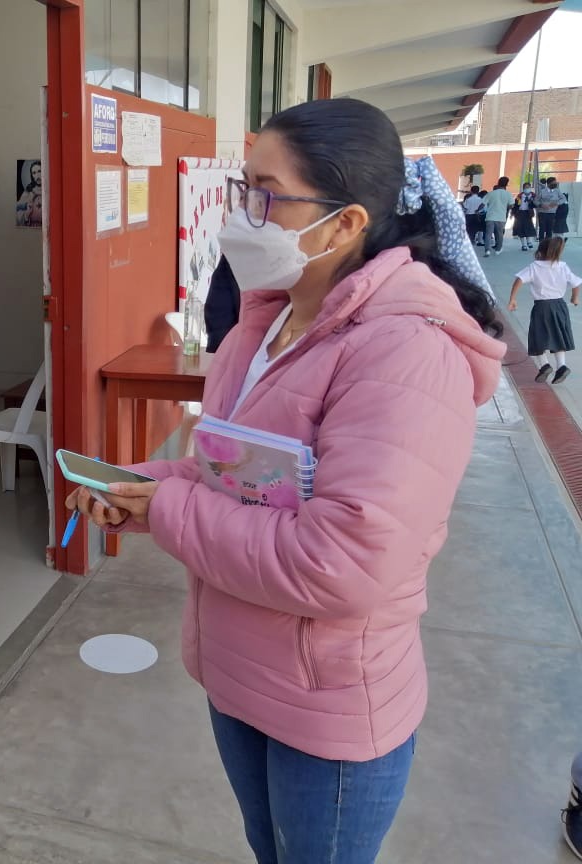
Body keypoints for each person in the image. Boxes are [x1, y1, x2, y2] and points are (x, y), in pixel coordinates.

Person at [66, 98, 504, 864]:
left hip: (327, 706)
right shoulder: (265, 321)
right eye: (241, 189)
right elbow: (227, 474)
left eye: (265, 196)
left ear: (344, 223)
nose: (241, 215)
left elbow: (345, 562)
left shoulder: (405, 353)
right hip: (242, 673)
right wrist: (134, 488)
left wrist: (167, 508)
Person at [508, 236, 579, 384]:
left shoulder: (535, 267)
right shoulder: (563, 266)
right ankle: (562, 366)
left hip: (542, 307)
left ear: (540, 251)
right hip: (560, 306)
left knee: (537, 336)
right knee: (558, 336)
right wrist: (574, 298)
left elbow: (519, 280)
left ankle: (545, 365)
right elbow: (576, 283)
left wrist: (513, 299)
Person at [482, 177, 514, 257]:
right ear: (506, 184)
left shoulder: (491, 193)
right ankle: (498, 250)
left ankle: (487, 250)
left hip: (490, 216)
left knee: (488, 234)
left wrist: (477, 211)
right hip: (501, 217)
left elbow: (483, 204)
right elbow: (511, 206)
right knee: (499, 234)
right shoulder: (508, 194)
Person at [538, 177, 565, 241]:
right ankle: (541, 243)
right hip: (542, 213)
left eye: (555, 183)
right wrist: (541, 205)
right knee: (542, 229)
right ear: (549, 183)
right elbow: (536, 200)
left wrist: (557, 203)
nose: (555, 184)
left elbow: (563, 199)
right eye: (554, 183)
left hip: (552, 213)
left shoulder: (557, 191)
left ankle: (548, 243)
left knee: (549, 230)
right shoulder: (542, 191)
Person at [513, 181, 537, 251]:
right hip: (520, 213)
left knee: (529, 227)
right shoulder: (519, 196)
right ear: (523, 188)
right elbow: (516, 205)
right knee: (521, 229)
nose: (527, 189)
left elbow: (536, 204)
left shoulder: (533, 196)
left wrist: (531, 202)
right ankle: (523, 244)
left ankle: (529, 241)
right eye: (526, 187)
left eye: (528, 187)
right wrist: (514, 213)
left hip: (528, 213)